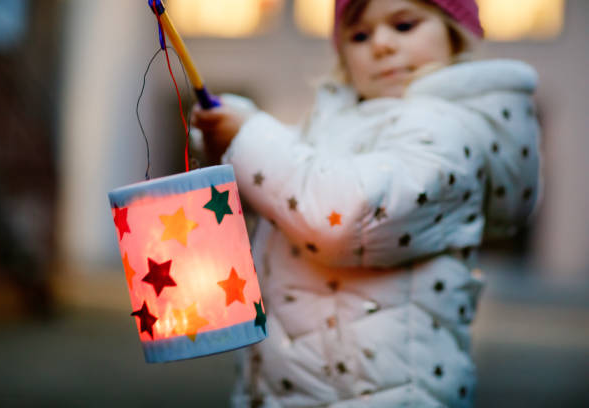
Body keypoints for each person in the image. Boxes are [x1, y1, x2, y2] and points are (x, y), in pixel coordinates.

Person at [192, 0, 541, 406]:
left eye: (404, 25)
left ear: (454, 30)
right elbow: (298, 176)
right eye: (359, 35)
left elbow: (339, 215)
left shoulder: (446, 133)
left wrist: (249, 138)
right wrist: (234, 132)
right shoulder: (347, 123)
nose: (381, 45)